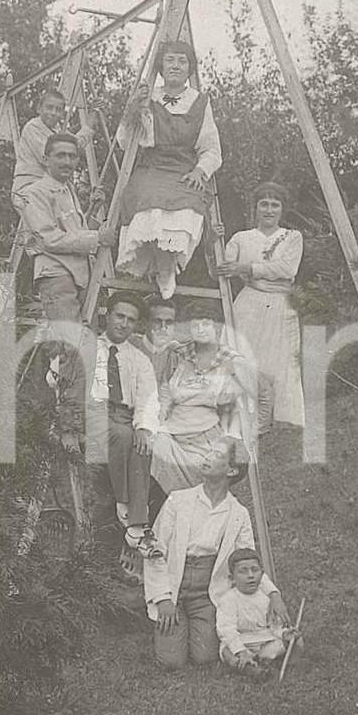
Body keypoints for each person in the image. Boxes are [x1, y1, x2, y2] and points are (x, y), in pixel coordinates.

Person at [144, 436, 281, 670]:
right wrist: (163, 598)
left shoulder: (238, 513)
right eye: (207, 452)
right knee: (171, 662)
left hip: (206, 593)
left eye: (216, 455)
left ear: (231, 470)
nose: (206, 457)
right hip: (173, 585)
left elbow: (247, 560)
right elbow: (153, 551)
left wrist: (273, 594)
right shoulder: (178, 500)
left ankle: (195, 624)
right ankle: (173, 624)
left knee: (205, 658)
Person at [115, 41, 222, 299]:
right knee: (148, 198)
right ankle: (156, 267)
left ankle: (165, 267)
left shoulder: (199, 102)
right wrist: (133, 110)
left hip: (184, 169)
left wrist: (199, 172)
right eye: (170, 60)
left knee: (188, 202)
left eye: (182, 61)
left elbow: (212, 149)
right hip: (152, 167)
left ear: (190, 68)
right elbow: (124, 142)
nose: (175, 65)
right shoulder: (146, 97)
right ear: (161, 66)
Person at [66, 293, 161, 555]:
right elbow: (57, 377)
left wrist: (143, 427)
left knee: (141, 442)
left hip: (123, 416)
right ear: (107, 315)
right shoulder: (87, 347)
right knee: (123, 435)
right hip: (92, 413)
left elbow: (148, 398)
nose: (124, 324)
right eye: (119, 316)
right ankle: (126, 507)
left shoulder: (139, 359)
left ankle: (136, 525)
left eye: (131, 320)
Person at [216, 181, 305, 432]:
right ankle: (236, 416)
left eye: (275, 205)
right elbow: (221, 268)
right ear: (255, 208)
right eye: (263, 204)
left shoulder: (292, 237)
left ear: (282, 209)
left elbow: (287, 269)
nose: (269, 210)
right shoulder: (241, 238)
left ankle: (277, 420)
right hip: (249, 303)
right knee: (242, 356)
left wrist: (247, 268)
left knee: (279, 360)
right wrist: (213, 240)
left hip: (280, 304)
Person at [149, 300, 257, 496]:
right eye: (195, 325)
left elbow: (244, 402)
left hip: (206, 439)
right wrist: (162, 413)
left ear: (216, 327)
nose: (200, 329)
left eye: (206, 324)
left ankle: (190, 502)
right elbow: (165, 390)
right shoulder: (180, 354)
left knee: (200, 473)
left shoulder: (230, 360)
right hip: (172, 430)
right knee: (151, 447)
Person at [20, 132, 117, 324]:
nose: (67, 162)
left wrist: (93, 209)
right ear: (45, 160)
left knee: (84, 337)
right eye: (60, 155)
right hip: (57, 276)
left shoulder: (67, 190)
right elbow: (49, 239)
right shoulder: (34, 193)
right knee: (69, 338)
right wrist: (97, 238)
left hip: (81, 276)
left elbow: (74, 233)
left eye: (72, 156)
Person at [215, 546, 299, 679]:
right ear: (232, 578)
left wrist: (284, 633)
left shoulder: (267, 598)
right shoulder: (228, 600)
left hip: (264, 640)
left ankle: (265, 661)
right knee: (227, 651)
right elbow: (227, 630)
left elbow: (274, 627)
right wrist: (241, 651)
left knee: (293, 640)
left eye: (255, 570)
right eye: (243, 571)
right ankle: (246, 666)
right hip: (242, 641)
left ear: (262, 573)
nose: (250, 576)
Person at [11, 88, 94, 211]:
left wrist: (91, 121)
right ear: (39, 109)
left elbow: (75, 144)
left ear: (62, 113)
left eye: (58, 110)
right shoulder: (33, 128)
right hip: (29, 186)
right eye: (49, 107)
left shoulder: (59, 131)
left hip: (48, 189)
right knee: (43, 218)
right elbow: (49, 158)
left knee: (64, 216)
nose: (53, 113)